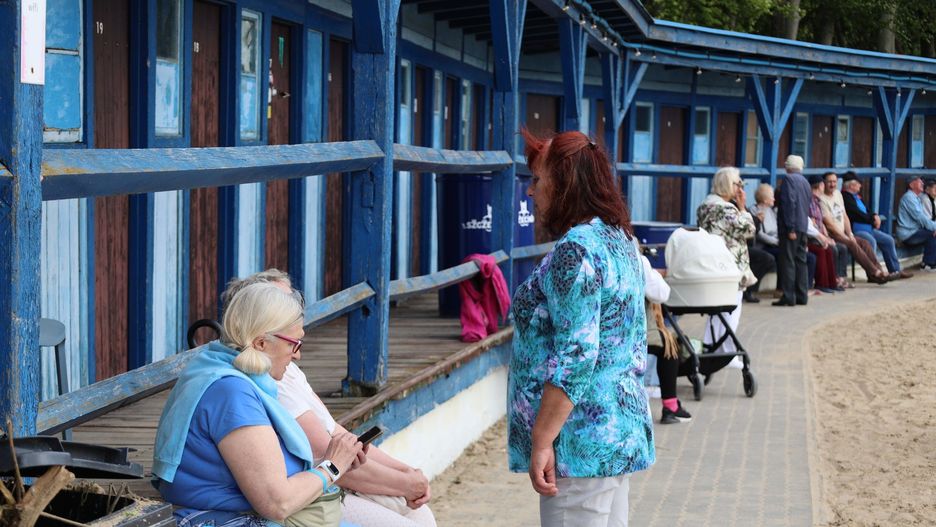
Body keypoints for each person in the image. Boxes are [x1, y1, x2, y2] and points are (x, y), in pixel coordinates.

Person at [508, 129, 653, 527]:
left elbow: (576, 357)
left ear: (564, 182)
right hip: (614, 432)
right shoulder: (618, 238)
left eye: (537, 180)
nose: (531, 191)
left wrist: (542, 439)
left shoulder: (578, 249)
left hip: (580, 441)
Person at [221, 270, 436, 527]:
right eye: (284, 304)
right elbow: (323, 457)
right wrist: (406, 484)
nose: (296, 312)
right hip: (316, 489)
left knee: (421, 516)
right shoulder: (259, 384)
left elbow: (335, 431)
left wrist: (407, 473)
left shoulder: (288, 370)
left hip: (327, 480)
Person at [153, 282, 364, 526]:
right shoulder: (232, 394)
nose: (297, 354)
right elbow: (277, 503)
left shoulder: (218, 369)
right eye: (294, 344)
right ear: (261, 343)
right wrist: (332, 466)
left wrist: (338, 459)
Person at [696, 167, 756, 361]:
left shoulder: (705, 205)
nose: (741, 188)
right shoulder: (726, 208)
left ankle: (713, 349)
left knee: (717, 313)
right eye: (739, 184)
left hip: (713, 264)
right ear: (730, 185)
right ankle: (726, 355)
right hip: (731, 266)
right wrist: (743, 207)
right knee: (731, 312)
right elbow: (749, 229)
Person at [642, 255, 691, 424]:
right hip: (634, 333)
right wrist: (654, 273)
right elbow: (661, 293)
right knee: (671, 345)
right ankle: (671, 407)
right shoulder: (637, 260)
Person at [817, 171, 890, 284]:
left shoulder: (837, 194)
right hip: (833, 235)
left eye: (834, 182)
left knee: (865, 243)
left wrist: (849, 233)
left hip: (844, 233)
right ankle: (875, 272)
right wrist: (845, 237)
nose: (832, 184)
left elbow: (844, 216)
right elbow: (829, 225)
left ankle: (879, 272)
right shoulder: (822, 199)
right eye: (829, 182)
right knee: (852, 243)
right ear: (824, 183)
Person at [840, 172, 912, 279]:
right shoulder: (845, 197)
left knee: (888, 240)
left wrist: (874, 216)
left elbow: (867, 210)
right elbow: (856, 214)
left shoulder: (857, 197)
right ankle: (873, 274)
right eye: (858, 184)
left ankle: (895, 270)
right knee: (870, 241)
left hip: (868, 228)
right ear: (851, 185)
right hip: (856, 230)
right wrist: (872, 219)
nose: (860, 186)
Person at [774, 155, 812, 306]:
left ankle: (789, 296)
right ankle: (802, 295)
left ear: (787, 166)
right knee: (801, 261)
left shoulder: (788, 180)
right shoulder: (805, 182)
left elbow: (789, 203)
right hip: (802, 226)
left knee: (788, 261)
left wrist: (790, 227)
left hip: (792, 227)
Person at [806, 175, 843, 292]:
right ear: (821, 186)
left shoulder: (817, 201)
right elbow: (811, 225)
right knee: (822, 251)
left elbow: (820, 223)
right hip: (810, 238)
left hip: (818, 236)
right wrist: (823, 238)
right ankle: (822, 283)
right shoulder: (810, 201)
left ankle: (832, 283)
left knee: (829, 250)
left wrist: (826, 237)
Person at [745, 184, 779, 303]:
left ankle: (783, 288)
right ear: (765, 199)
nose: (774, 199)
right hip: (762, 245)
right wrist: (776, 242)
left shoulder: (771, 211)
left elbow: (776, 230)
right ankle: (750, 290)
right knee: (773, 257)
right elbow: (759, 234)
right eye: (771, 196)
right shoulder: (754, 211)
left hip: (773, 243)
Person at [896, 175, 936, 271]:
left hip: (914, 231)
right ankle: (927, 264)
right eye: (919, 181)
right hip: (908, 234)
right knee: (932, 234)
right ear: (911, 185)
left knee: (932, 231)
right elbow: (920, 218)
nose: (922, 183)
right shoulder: (909, 197)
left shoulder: (916, 197)